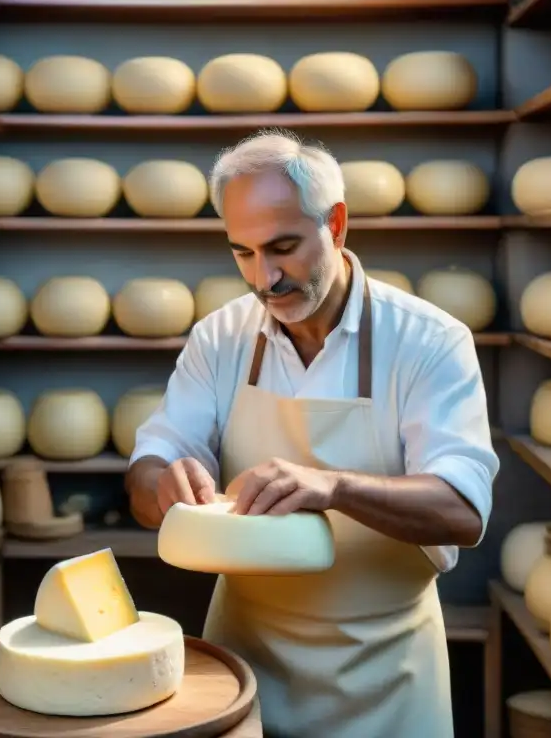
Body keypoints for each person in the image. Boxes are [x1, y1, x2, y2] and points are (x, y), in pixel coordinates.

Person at [124, 128, 499, 738]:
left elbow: (463, 510)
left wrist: (334, 486)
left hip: (388, 677)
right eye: (243, 253)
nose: (264, 278)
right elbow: (149, 468)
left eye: (284, 247)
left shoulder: (429, 342)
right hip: (245, 664)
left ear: (338, 224)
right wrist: (164, 482)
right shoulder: (220, 338)